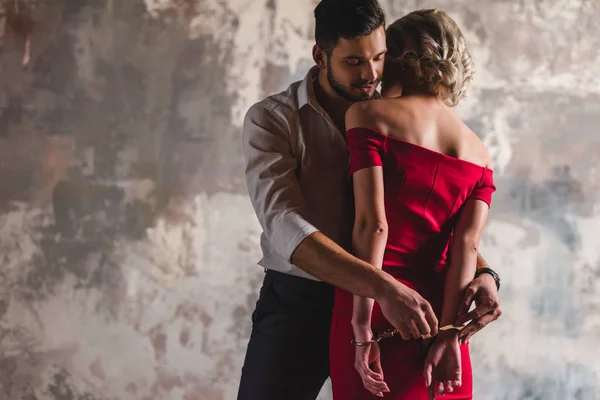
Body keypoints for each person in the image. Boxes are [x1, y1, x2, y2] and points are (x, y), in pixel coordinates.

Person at [238, 1, 502, 399]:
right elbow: (283, 227)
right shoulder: (273, 119)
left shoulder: (391, 115)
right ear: (320, 56)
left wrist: (486, 273)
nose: (371, 73)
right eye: (354, 62)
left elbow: (427, 214)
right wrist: (381, 286)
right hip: (302, 303)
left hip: (394, 305)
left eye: (380, 57)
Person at [329, 8, 497, 400]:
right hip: (440, 318)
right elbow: (466, 248)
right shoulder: (478, 152)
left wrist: (361, 328)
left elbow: (374, 226)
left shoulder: (368, 116)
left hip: (377, 305)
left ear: (402, 56)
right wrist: (451, 334)